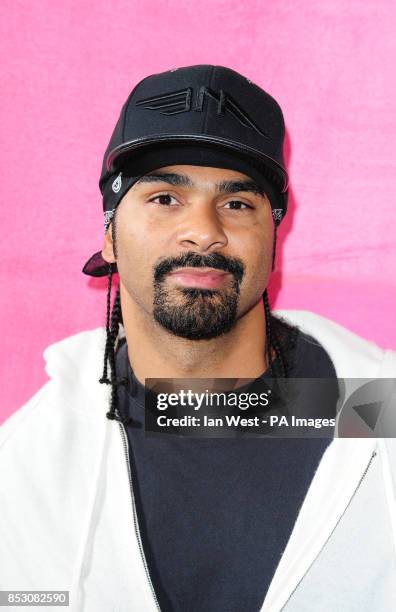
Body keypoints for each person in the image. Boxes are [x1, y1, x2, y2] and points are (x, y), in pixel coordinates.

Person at [1, 65, 395, 612]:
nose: (204, 231)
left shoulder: (372, 406)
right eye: (165, 198)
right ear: (109, 235)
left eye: (237, 203)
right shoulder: (34, 461)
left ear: (273, 237)